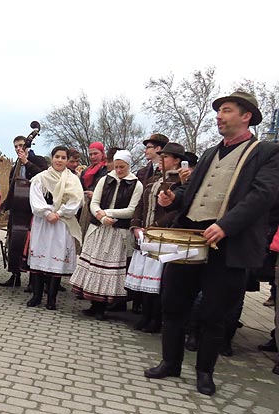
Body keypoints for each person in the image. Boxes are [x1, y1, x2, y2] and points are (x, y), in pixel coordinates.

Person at [145, 91, 279, 396]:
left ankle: (205, 372)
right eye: (218, 111)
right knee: (174, 303)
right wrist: (173, 198)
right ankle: (170, 362)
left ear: (246, 116)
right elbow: (191, 190)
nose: (219, 116)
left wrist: (226, 225)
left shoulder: (267, 152)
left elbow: (263, 195)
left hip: (229, 243)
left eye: (227, 110)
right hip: (191, 236)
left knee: (214, 313)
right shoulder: (208, 153)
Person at [70, 150, 143, 320]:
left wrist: (108, 213)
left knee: (109, 269)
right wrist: (100, 216)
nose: (118, 170)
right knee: (94, 266)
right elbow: (94, 202)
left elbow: (132, 210)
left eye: (122, 167)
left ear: (128, 165)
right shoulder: (105, 179)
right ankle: (94, 304)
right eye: (116, 166)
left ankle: (103, 307)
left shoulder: (136, 184)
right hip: (99, 228)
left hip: (118, 232)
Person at [126, 142, 186, 333]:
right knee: (145, 278)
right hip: (145, 236)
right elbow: (140, 205)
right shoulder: (153, 180)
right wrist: (136, 225)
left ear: (176, 161)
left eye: (166, 157)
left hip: (162, 237)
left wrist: (156, 227)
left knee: (158, 280)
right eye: (160, 157)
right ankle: (145, 315)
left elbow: (178, 210)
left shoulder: (180, 182)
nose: (161, 160)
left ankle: (155, 318)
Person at [26, 146, 83, 310]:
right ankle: (36, 296)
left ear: (67, 160)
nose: (59, 160)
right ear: (52, 158)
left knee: (56, 257)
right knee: (39, 255)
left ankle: (52, 298)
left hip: (61, 222)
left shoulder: (73, 180)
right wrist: (46, 213)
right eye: (57, 156)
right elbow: (35, 199)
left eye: (63, 157)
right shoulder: (40, 178)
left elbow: (76, 201)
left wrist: (60, 213)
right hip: (43, 222)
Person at [0, 135, 48, 287]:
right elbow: (13, 191)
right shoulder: (15, 167)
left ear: (27, 145)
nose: (19, 149)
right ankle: (15, 275)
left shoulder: (39, 160)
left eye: (21, 145)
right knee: (14, 244)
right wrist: (3, 207)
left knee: (33, 245)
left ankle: (34, 281)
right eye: (16, 147)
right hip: (18, 210)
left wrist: (27, 162)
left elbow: (44, 177)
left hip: (34, 211)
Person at [77, 142, 108, 240]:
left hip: (99, 206)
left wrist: (96, 195)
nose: (93, 157)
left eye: (95, 154)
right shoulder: (86, 171)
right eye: (90, 154)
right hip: (85, 206)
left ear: (102, 153)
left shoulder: (107, 169)